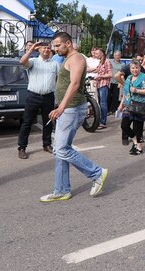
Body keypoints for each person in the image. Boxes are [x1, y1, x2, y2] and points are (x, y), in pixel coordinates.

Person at [40, 32, 108, 202]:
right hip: (67, 108)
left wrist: (61, 107)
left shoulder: (77, 58)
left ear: (68, 43)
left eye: (57, 45)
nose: (55, 49)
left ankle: (97, 173)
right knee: (60, 151)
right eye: (54, 46)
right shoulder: (67, 59)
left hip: (71, 109)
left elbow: (75, 83)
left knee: (61, 149)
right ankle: (61, 190)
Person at [17, 40, 58, 159]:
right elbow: (22, 61)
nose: (46, 49)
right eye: (44, 48)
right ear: (39, 50)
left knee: (48, 122)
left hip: (48, 96)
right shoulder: (33, 62)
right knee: (27, 123)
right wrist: (31, 49)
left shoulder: (55, 64)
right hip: (33, 96)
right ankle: (22, 147)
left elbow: (59, 79)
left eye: (48, 48)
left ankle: (47, 144)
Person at [119, 61, 145, 155]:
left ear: (139, 68)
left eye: (136, 68)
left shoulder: (143, 77)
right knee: (124, 125)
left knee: (138, 128)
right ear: (130, 69)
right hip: (129, 105)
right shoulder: (128, 77)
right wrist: (122, 104)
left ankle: (139, 148)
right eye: (133, 68)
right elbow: (126, 92)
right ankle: (135, 141)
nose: (135, 70)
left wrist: (137, 90)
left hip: (139, 105)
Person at [91, 47, 112, 130]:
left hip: (104, 84)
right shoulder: (100, 62)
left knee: (103, 103)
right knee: (100, 103)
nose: (95, 54)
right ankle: (101, 120)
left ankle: (103, 122)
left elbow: (110, 74)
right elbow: (97, 70)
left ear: (102, 53)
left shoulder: (107, 62)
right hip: (99, 84)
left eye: (97, 53)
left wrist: (100, 76)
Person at [107, 50, 124, 117]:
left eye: (118, 55)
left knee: (115, 97)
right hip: (110, 81)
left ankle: (113, 110)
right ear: (114, 56)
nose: (117, 57)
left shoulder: (122, 64)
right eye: (116, 55)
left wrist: (121, 82)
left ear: (120, 56)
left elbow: (122, 74)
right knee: (108, 96)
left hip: (117, 82)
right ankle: (107, 110)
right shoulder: (110, 62)